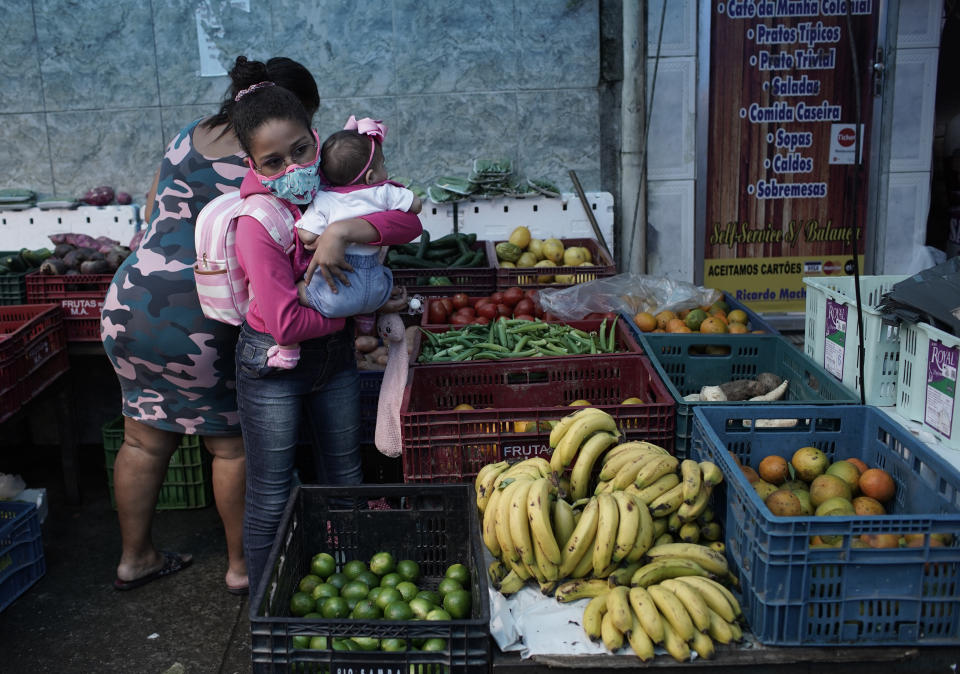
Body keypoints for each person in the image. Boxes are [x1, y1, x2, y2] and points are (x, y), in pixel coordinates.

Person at [100, 56, 320, 594]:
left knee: (144, 440)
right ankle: (242, 568)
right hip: (203, 311)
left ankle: (135, 558)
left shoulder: (186, 136)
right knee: (233, 446)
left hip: (131, 300)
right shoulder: (267, 163)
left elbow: (153, 212)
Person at [225, 75, 422, 591]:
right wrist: (366, 304)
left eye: (301, 150)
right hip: (273, 364)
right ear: (253, 166)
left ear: (316, 137)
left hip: (332, 358)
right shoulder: (258, 221)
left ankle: (352, 592)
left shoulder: (330, 188)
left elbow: (408, 222)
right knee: (271, 495)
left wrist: (341, 231)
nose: (292, 169)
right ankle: (266, 616)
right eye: (274, 163)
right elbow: (286, 322)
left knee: (346, 479)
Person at [264, 117, 422, 370]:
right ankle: (370, 319)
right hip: (378, 289)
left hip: (334, 293)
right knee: (380, 277)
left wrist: (326, 236)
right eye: (383, 165)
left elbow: (306, 237)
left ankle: (287, 349)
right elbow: (416, 207)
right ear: (371, 176)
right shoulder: (384, 191)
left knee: (298, 289)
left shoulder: (324, 199)